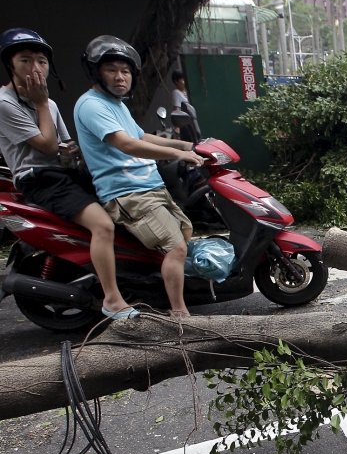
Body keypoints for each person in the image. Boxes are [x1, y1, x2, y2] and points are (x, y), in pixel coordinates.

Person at [0, 28, 137, 319]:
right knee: (103, 226)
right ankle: (113, 300)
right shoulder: (6, 103)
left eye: (41, 61)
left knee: (127, 198)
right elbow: (48, 147)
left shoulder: (48, 103)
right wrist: (39, 104)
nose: (35, 68)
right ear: (9, 65)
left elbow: (64, 144)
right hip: (38, 178)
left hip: (62, 173)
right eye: (26, 60)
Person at [74, 36, 204, 316]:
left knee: (185, 232)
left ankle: (162, 287)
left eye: (126, 70)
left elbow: (140, 135)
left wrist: (185, 145)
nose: (121, 77)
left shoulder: (117, 105)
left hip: (148, 186)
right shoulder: (91, 105)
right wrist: (178, 154)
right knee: (177, 248)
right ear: (96, 71)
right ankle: (181, 314)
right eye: (112, 70)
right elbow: (126, 144)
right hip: (128, 192)